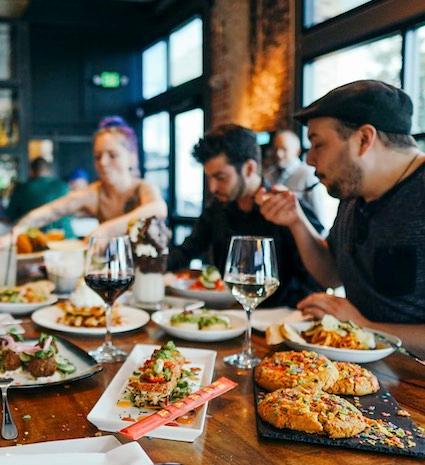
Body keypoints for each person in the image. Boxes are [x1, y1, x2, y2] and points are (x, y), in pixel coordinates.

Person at [256, 80, 425, 352]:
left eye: (318, 144)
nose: (309, 160)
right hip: (364, 371)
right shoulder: (353, 193)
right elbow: (332, 273)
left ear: (364, 139)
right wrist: (296, 221)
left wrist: (362, 326)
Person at [168, 124, 323, 307]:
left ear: (249, 168)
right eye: (209, 178)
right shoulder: (217, 209)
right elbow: (186, 251)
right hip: (228, 315)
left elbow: (317, 279)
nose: (212, 188)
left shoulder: (287, 208)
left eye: (221, 177)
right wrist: (148, 263)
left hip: (278, 322)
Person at [4, 116, 166, 240]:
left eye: (112, 155)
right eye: (97, 156)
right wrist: (15, 232)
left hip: (149, 273)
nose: (103, 162)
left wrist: (106, 230)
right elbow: (51, 211)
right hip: (112, 272)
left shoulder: (143, 188)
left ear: (132, 157)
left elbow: (158, 209)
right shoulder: (94, 193)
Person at [264, 130, 326, 222]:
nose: (278, 154)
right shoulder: (268, 174)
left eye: (284, 149)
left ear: (297, 151)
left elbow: (319, 216)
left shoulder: (309, 174)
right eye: (276, 149)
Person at [6, 157, 73, 237]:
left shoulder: (22, 189)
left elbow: (10, 215)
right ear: (49, 170)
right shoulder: (63, 186)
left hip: (35, 240)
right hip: (66, 238)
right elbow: (71, 214)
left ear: (31, 171)